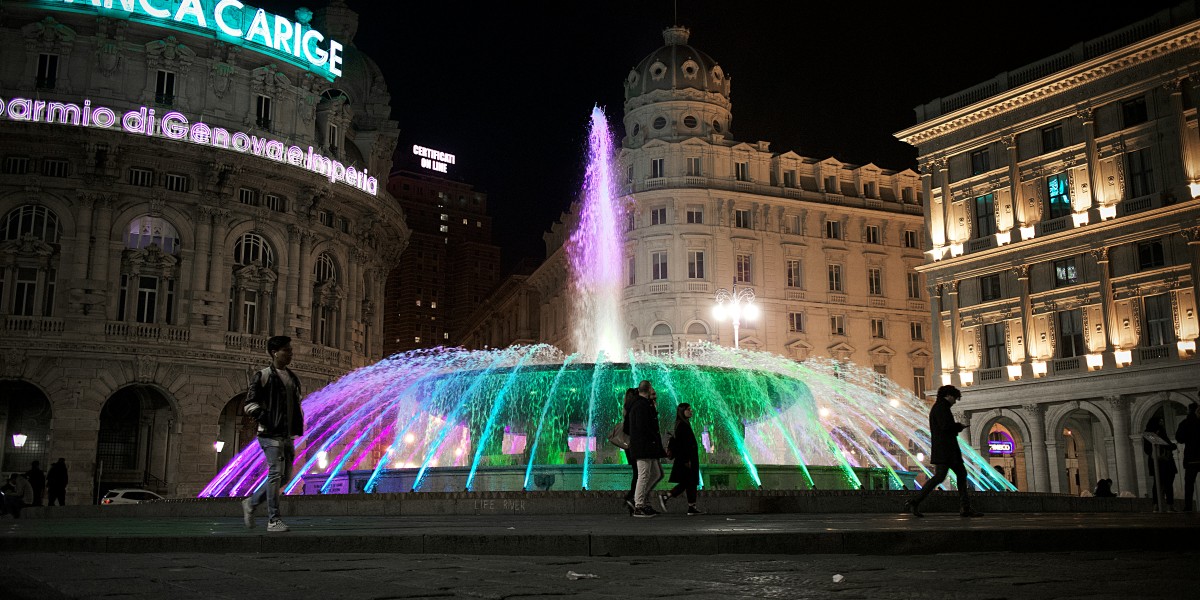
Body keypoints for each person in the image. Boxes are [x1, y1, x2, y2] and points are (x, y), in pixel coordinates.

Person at [241, 335, 305, 532]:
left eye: (290, 350)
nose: (290, 354)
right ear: (274, 353)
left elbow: (296, 404)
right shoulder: (263, 376)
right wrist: (266, 419)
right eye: (286, 350)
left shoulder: (293, 378)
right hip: (269, 434)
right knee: (275, 473)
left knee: (285, 477)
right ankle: (273, 520)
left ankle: (251, 503)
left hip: (287, 435)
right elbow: (249, 404)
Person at [903, 385, 983, 517]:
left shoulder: (940, 407)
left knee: (951, 475)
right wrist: (958, 426)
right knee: (949, 476)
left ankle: (916, 502)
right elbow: (945, 426)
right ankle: (964, 507)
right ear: (948, 395)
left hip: (944, 449)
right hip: (946, 450)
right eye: (955, 398)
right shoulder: (941, 408)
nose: (955, 401)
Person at [626, 379, 666, 517]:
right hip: (643, 446)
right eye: (652, 389)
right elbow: (643, 427)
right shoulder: (640, 405)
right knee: (643, 475)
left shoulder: (644, 404)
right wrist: (652, 439)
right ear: (648, 389)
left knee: (656, 473)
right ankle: (638, 506)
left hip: (648, 446)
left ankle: (638, 498)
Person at [662, 402, 704, 515]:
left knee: (690, 483)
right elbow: (682, 444)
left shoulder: (684, 424)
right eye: (688, 409)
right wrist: (686, 460)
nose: (691, 411)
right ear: (682, 411)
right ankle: (667, 496)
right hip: (687, 459)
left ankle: (692, 506)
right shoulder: (682, 425)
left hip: (689, 458)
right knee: (688, 482)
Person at [1143, 416, 1177, 511]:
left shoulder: (1148, 434)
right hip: (1164, 462)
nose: (1162, 423)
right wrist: (1173, 446)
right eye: (1160, 421)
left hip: (1156, 462)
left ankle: (1156, 504)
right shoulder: (1159, 432)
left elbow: (1147, 449)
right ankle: (1169, 505)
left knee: (1158, 483)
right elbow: (1168, 445)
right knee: (1167, 483)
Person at [1174, 402, 1200, 512]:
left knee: (1189, 483)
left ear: (1189, 410)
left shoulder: (1185, 423)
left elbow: (1179, 439)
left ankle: (1188, 507)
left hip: (1191, 457)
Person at [620, 387, 640, 514]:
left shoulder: (626, 410)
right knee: (639, 474)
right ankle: (632, 497)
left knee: (637, 473)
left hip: (629, 447)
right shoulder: (633, 410)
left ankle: (633, 499)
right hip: (635, 447)